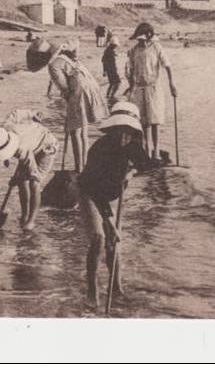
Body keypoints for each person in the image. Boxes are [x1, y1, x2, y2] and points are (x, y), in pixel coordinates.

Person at [77, 101, 152, 308]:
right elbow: (95, 190)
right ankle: (92, 289)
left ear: (133, 132)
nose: (123, 137)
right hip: (90, 194)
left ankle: (117, 287)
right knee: (100, 238)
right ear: (112, 129)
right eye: (119, 131)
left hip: (113, 194)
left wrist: (130, 172)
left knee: (114, 244)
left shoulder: (134, 146)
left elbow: (144, 166)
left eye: (128, 132)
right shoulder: (99, 150)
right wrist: (109, 222)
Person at [0, 115, 59, 231]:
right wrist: (8, 160)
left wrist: (16, 178)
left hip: (47, 146)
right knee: (22, 182)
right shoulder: (3, 131)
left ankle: (31, 221)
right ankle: (24, 215)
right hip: (30, 145)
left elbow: (33, 172)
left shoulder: (22, 149)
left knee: (34, 183)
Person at [48, 38, 107, 172]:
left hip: (79, 93)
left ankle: (78, 168)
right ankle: (84, 166)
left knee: (75, 131)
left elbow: (63, 86)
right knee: (83, 131)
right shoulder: (75, 60)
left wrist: (68, 96)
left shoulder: (56, 62)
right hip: (90, 90)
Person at [125, 22, 178, 161]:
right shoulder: (134, 50)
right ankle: (147, 151)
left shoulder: (156, 47)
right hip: (139, 88)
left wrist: (172, 84)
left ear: (149, 36)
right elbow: (129, 70)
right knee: (143, 121)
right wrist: (130, 85)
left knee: (155, 120)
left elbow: (167, 66)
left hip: (153, 88)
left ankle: (156, 152)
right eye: (139, 39)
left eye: (143, 39)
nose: (141, 41)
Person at [102, 36, 122, 100]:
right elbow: (104, 61)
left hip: (110, 70)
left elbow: (104, 60)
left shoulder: (109, 50)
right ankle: (111, 95)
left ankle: (109, 95)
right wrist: (104, 71)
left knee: (112, 83)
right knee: (117, 82)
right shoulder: (109, 51)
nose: (116, 47)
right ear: (112, 45)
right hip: (111, 70)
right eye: (115, 45)